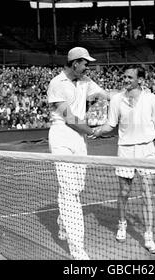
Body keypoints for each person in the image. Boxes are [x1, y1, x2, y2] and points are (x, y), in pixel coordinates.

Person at [92, 65, 155, 254]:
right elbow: (110, 125)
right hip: (125, 151)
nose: (125, 80)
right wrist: (97, 131)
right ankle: (122, 224)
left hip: (146, 150)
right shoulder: (117, 99)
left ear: (140, 80)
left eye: (129, 77)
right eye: (124, 77)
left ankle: (148, 237)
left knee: (147, 193)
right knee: (124, 191)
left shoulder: (151, 99)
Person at [47, 47, 111, 260]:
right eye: (85, 63)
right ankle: (78, 251)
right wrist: (93, 131)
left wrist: (134, 92)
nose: (88, 67)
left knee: (76, 188)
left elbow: (106, 95)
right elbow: (70, 117)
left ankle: (63, 220)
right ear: (75, 63)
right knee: (69, 192)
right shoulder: (56, 83)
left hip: (79, 139)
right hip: (62, 136)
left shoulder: (86, 81)